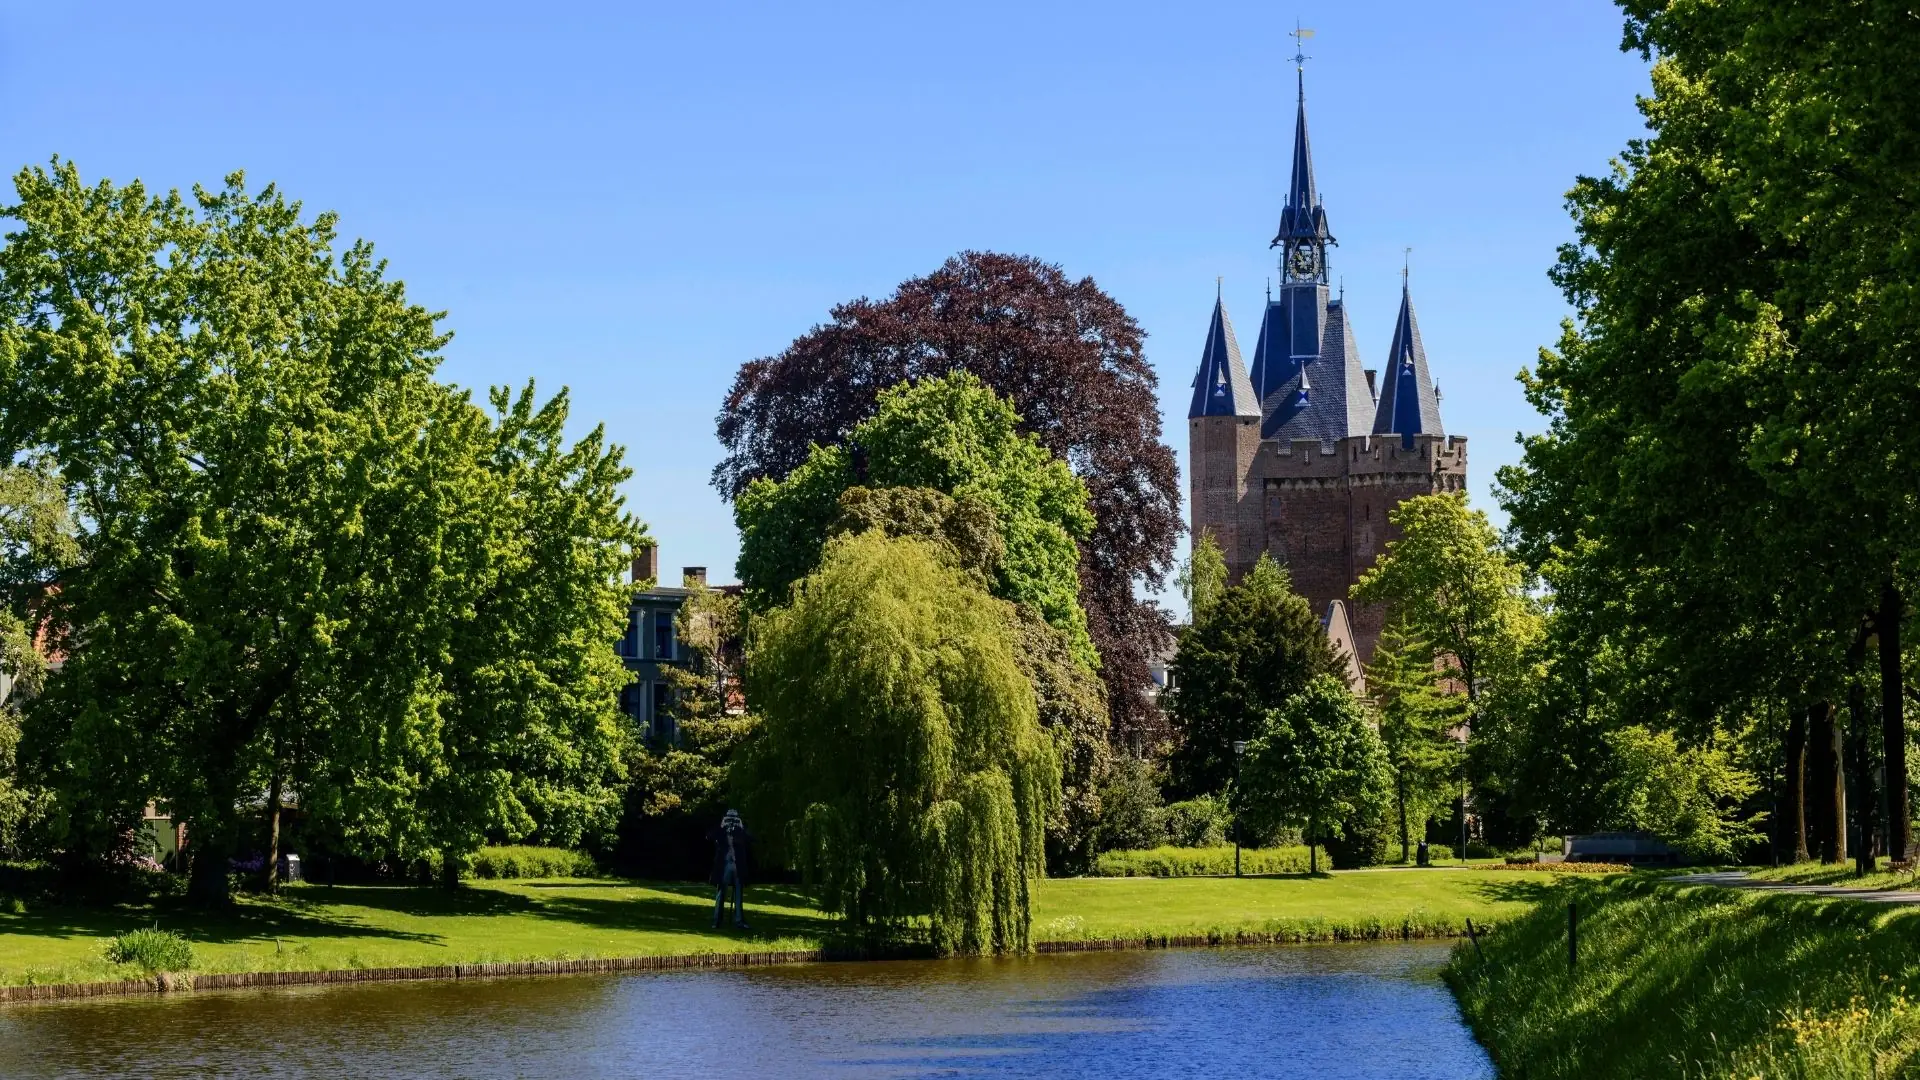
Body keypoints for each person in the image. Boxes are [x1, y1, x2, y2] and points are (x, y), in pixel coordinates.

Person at [707, 808, 753, 929]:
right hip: (724, 865)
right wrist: (722, 826)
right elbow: (709, 836)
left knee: (738, 894)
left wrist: (741, 827)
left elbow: (750, 839)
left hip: (738, 866)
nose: (731, 822)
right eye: (730, 818)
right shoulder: (721, 831)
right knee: (721, 893)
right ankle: (717, 920)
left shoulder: (740, 831)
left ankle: (739, 920)